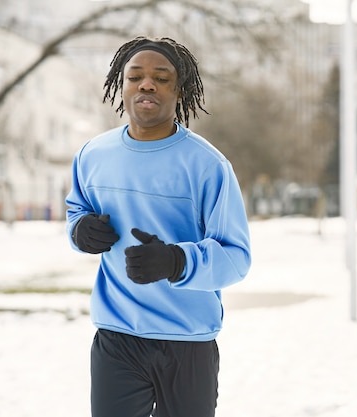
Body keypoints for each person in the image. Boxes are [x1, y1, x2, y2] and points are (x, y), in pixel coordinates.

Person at [65, 36, 252, 417]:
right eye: (135, 76)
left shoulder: (208, 166)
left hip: (187, 340)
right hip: (118, 336)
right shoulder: (92, 155)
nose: (146, 84)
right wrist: (80, 230)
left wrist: (175, 261)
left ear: (179, 90)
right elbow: (76, 209)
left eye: (161, 77)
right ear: (122, 85)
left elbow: (236, 258)